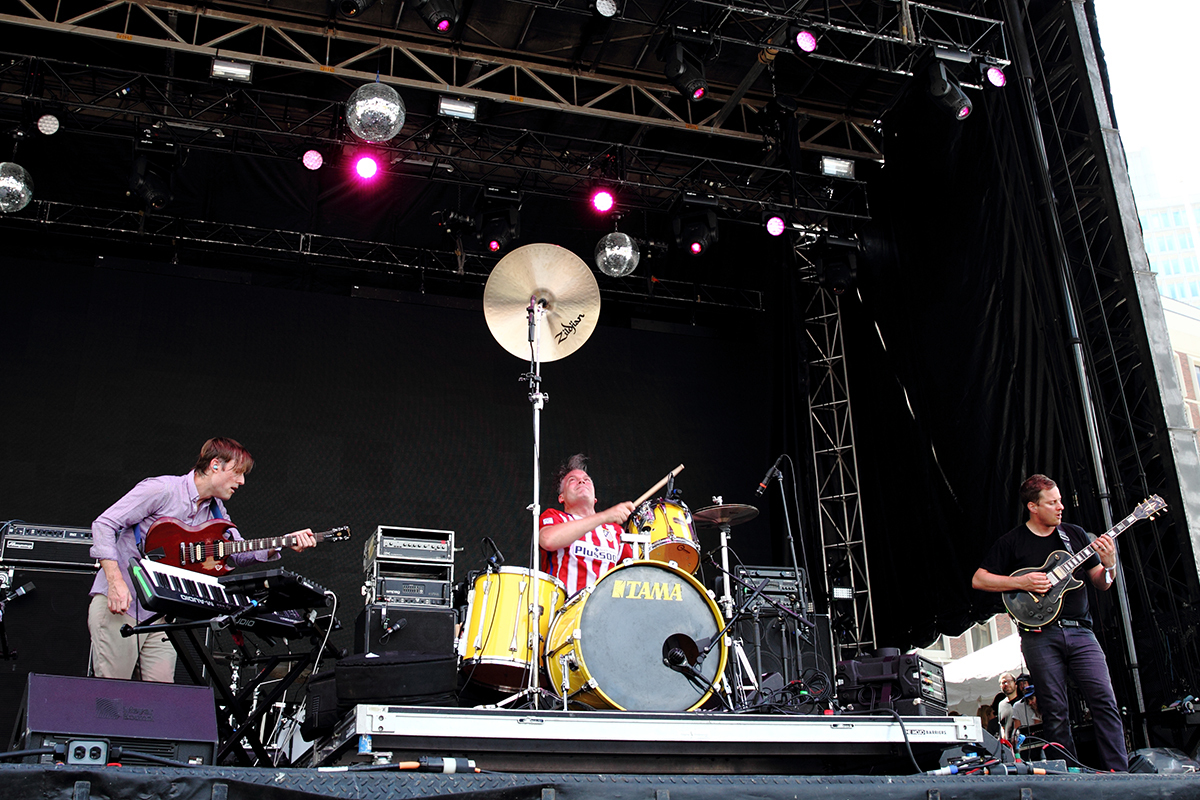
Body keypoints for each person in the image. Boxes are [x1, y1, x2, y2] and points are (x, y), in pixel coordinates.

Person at [88, 437, 316, 682]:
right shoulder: (162, 489)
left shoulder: (216, 511)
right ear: (215, 464)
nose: (242, 481)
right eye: (238, 473)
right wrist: (115, 582)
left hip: (160, 615)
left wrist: (282, 542)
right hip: (123, 605)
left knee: (158, 701)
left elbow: (237, 552)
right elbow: (104, 524)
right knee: (112, 697)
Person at [972, 474, 1127, 771]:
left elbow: (1102, 583)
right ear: (1033, 506)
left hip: (1081, 632)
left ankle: (1119, 775)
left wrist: (1110, 565)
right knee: (1054, 711)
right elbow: (979, 579)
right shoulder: (1012, 542)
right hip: (1039, 635)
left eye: (1060, 500)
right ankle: (1065, 777)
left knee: (1104, 701)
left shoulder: (1075, 534)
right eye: (1052, 502)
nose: (1061, 507)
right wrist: (1019, 581)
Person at [539, 454, 635, 596]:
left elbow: (633, 573)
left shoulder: (615, 532)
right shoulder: (555, 517)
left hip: (604, 611)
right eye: (572, 480)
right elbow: (548, 540)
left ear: (595, 497)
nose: (581, 482)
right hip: (563, 610)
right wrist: (604, 516)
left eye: (587, 480)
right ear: (561, 497)